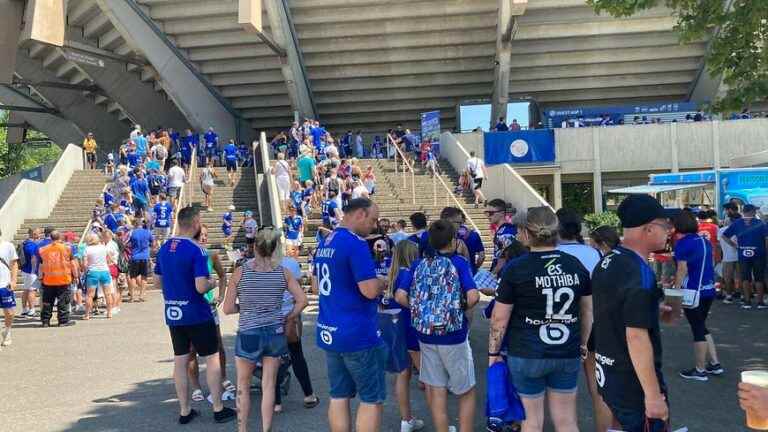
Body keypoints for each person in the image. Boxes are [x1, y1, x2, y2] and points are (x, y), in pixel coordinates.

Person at [489, 207, 593, 432]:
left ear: (526, 233)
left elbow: (499, 317)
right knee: (566, 420)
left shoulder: (516, 268)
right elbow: (587, 311)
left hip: (527, 352)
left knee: (531, 421)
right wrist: (583, 344)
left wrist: (493, 353)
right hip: (567, 349)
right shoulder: (575, 265)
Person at [592, 195, 676, 432]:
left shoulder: (609, 261)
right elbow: (636, 336)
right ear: (648, 229)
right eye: (665, 225)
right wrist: (652, 395)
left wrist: (651, 308)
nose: (669, 231)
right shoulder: (638, 273)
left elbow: (613, 308)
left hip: (608, 373)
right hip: (632, 380)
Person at [395, 220, 479, 432]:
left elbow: (400, 295)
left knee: (436, 390)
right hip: (454, 336)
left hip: (425, 334)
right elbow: (473, 296)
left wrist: (420, 309)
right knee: (466, 391)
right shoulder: (459, 263)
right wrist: (456, 309)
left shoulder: (417, 265)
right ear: (453, 241)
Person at [154, 206, 236, 425]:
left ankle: (184, 409)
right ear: (196, 222)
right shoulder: (196, 250)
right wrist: (214, 282)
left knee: (180, 361)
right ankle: (218, 407)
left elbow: (157, 282)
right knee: (211, 358)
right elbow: (201, 286)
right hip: (197, 313)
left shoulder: (163, 248)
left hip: (174, 313)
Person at [313, 198, 387, 432]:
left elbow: (315, 286)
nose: (375, 226)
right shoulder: (355, 244)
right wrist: (382, 283)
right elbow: (369, 290)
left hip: (330, 331)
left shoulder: (326, 240)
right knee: (371, 399)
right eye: (373, 219)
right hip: (357, 334)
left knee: (339, 395)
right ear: (360, 214)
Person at [223, 227, 307, 432]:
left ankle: (242, 429)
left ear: (255, 246)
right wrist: (289, 316)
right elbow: (302, 300)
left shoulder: (240, 272)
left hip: (249, 332)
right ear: (274, 248)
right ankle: (266, 428)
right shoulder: (283, 272)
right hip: (274, 332)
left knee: (242, 385)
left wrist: (245, 307)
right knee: (269, 384)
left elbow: (227, 308)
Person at [555, 209, 611, 431]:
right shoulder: (593, 253)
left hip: (558, 324)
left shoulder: (550, 254)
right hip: (593, 321)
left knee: (561, 392)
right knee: (598, 387)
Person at [672, 210, 723, 381]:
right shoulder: (704, 241)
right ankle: (715, 363)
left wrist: (675, 291)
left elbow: (682, 269)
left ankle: (700, 370)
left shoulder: (682, 244)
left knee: (697, 329)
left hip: (693, 291)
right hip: (708, 289)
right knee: (701, 325)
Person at [188, 225, 236, 405]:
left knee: (218, 344)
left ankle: (223, 377)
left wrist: (221, 296)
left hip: (209, 306)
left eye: (206, 235)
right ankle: (196, 387)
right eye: (200, 235)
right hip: (192, 307)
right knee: (191, 349)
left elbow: (223, 276)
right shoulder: (189, 256)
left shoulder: (211, 255)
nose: (203, 238)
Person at [382, 240, 424, 432]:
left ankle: (406, 419)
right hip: (409, 325)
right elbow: (402, 297)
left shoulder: (393, 275)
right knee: (429, 377)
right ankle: (441, 422)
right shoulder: (408, 273)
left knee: (403, 374)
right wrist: (419, 310)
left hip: (394, 326)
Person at [276, 250, 319, 413]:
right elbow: (299, 293)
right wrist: (294, 316)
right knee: (296, 354)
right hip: (289, 314)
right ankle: (308, 394)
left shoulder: (252, 266)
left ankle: (276, 402)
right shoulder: (290, 264)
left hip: (266, 319)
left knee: (272, 359)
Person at [722, 204, 768, 309]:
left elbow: (724, 236)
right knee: (759, 278)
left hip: (743, 254)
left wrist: (735, 246)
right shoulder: (761, 223)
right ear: (752, 211)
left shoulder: (737, 223)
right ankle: (760, 302)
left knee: (745, 278)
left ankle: (747, 302)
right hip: (759, 254)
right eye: (755, 210)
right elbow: (766, 239)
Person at [37, 231, 76, 327]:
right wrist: (75, 276)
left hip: (48, 279)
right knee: (63, 301)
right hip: (63, 279)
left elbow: (41, 265)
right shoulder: (67, 248)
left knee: (47, 301)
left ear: (50, 238)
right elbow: (73, 264)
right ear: (60, 238)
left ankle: (45, 321)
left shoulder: (43, 249)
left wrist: (40, 277)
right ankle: (63, 321)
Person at [441, 207, 485, 274]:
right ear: (449, 221)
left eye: (461, 223)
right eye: (459, 223)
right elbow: (481, 257)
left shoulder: (434, 238)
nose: (460, 226)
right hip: (465, 274)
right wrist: (475, 267)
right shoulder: (473, 235)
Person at [83, 233, 115, 320]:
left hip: (93, 271)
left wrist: (86, 271)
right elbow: (109, 259)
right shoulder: (103, 247)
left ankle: (87, 314)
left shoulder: (87, 249)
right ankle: (109, 312)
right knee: (107, 294)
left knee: (90, 295)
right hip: (104, 271)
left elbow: (85, 264)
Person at [486, 199, 517, 274]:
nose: (488, 216)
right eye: (487, 213)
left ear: (502, 213)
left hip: (506, 274)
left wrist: (491, 275)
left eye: (491, 213)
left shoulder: (505, 232)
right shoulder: (503, 230)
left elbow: (503, 259)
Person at [0, 230, 18, 346]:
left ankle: (7, 331)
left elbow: (14, 264)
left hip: (5, 284)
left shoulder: (8, 246)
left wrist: (14, 280)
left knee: (10, 313)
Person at [128, 217, 153, 302]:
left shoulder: (133, 232)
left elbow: (129, 243)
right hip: (145, 256)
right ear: (142, 224)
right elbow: (152, 242)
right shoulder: (148, 232)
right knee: (144, 277)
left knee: (133, 277)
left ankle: (132, 297)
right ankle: (141, 295)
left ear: (135, 224)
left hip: (135, 256)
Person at [718, 216, 741, 304]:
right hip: (739, 256)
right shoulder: (740, 229)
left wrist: (719, 257)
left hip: (727, 257)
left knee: (727, 277)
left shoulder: (721, 230)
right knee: (740, 277)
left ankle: (729, 296)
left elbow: (719, 245)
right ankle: (742, 295)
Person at [20, 228, 41, 317]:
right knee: (32, 290)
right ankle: (32, 310)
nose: (40, 235)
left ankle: (25, 309)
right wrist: (35, 270)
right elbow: (33, 258)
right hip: (31, 271)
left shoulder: (25, 243)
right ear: (34, 234)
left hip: (25, 270)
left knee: (26, 289)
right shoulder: (31, 245)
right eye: (38, 233)